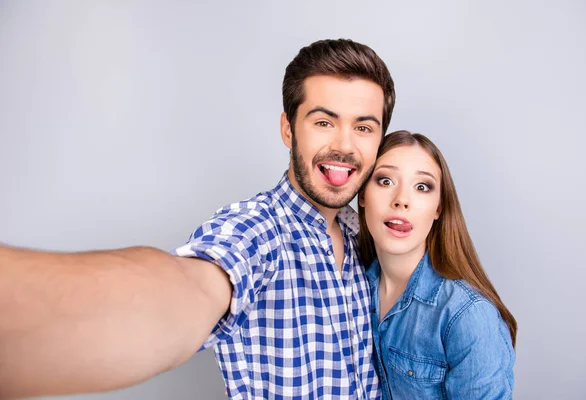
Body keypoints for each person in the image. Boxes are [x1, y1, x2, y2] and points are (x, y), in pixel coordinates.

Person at [0, 39, 395, 399]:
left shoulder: (366, 230)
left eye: (363, 127)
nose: (344, 145)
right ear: (288, 130)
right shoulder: (254, 231)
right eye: (323, 122)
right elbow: (185, 292)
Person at [357, 130, 517, 399]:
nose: (401, 200)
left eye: (422, 187)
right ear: (362, 195)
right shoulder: (350, 288)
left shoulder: (467, 316)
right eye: (385, 180)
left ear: (438, 208)